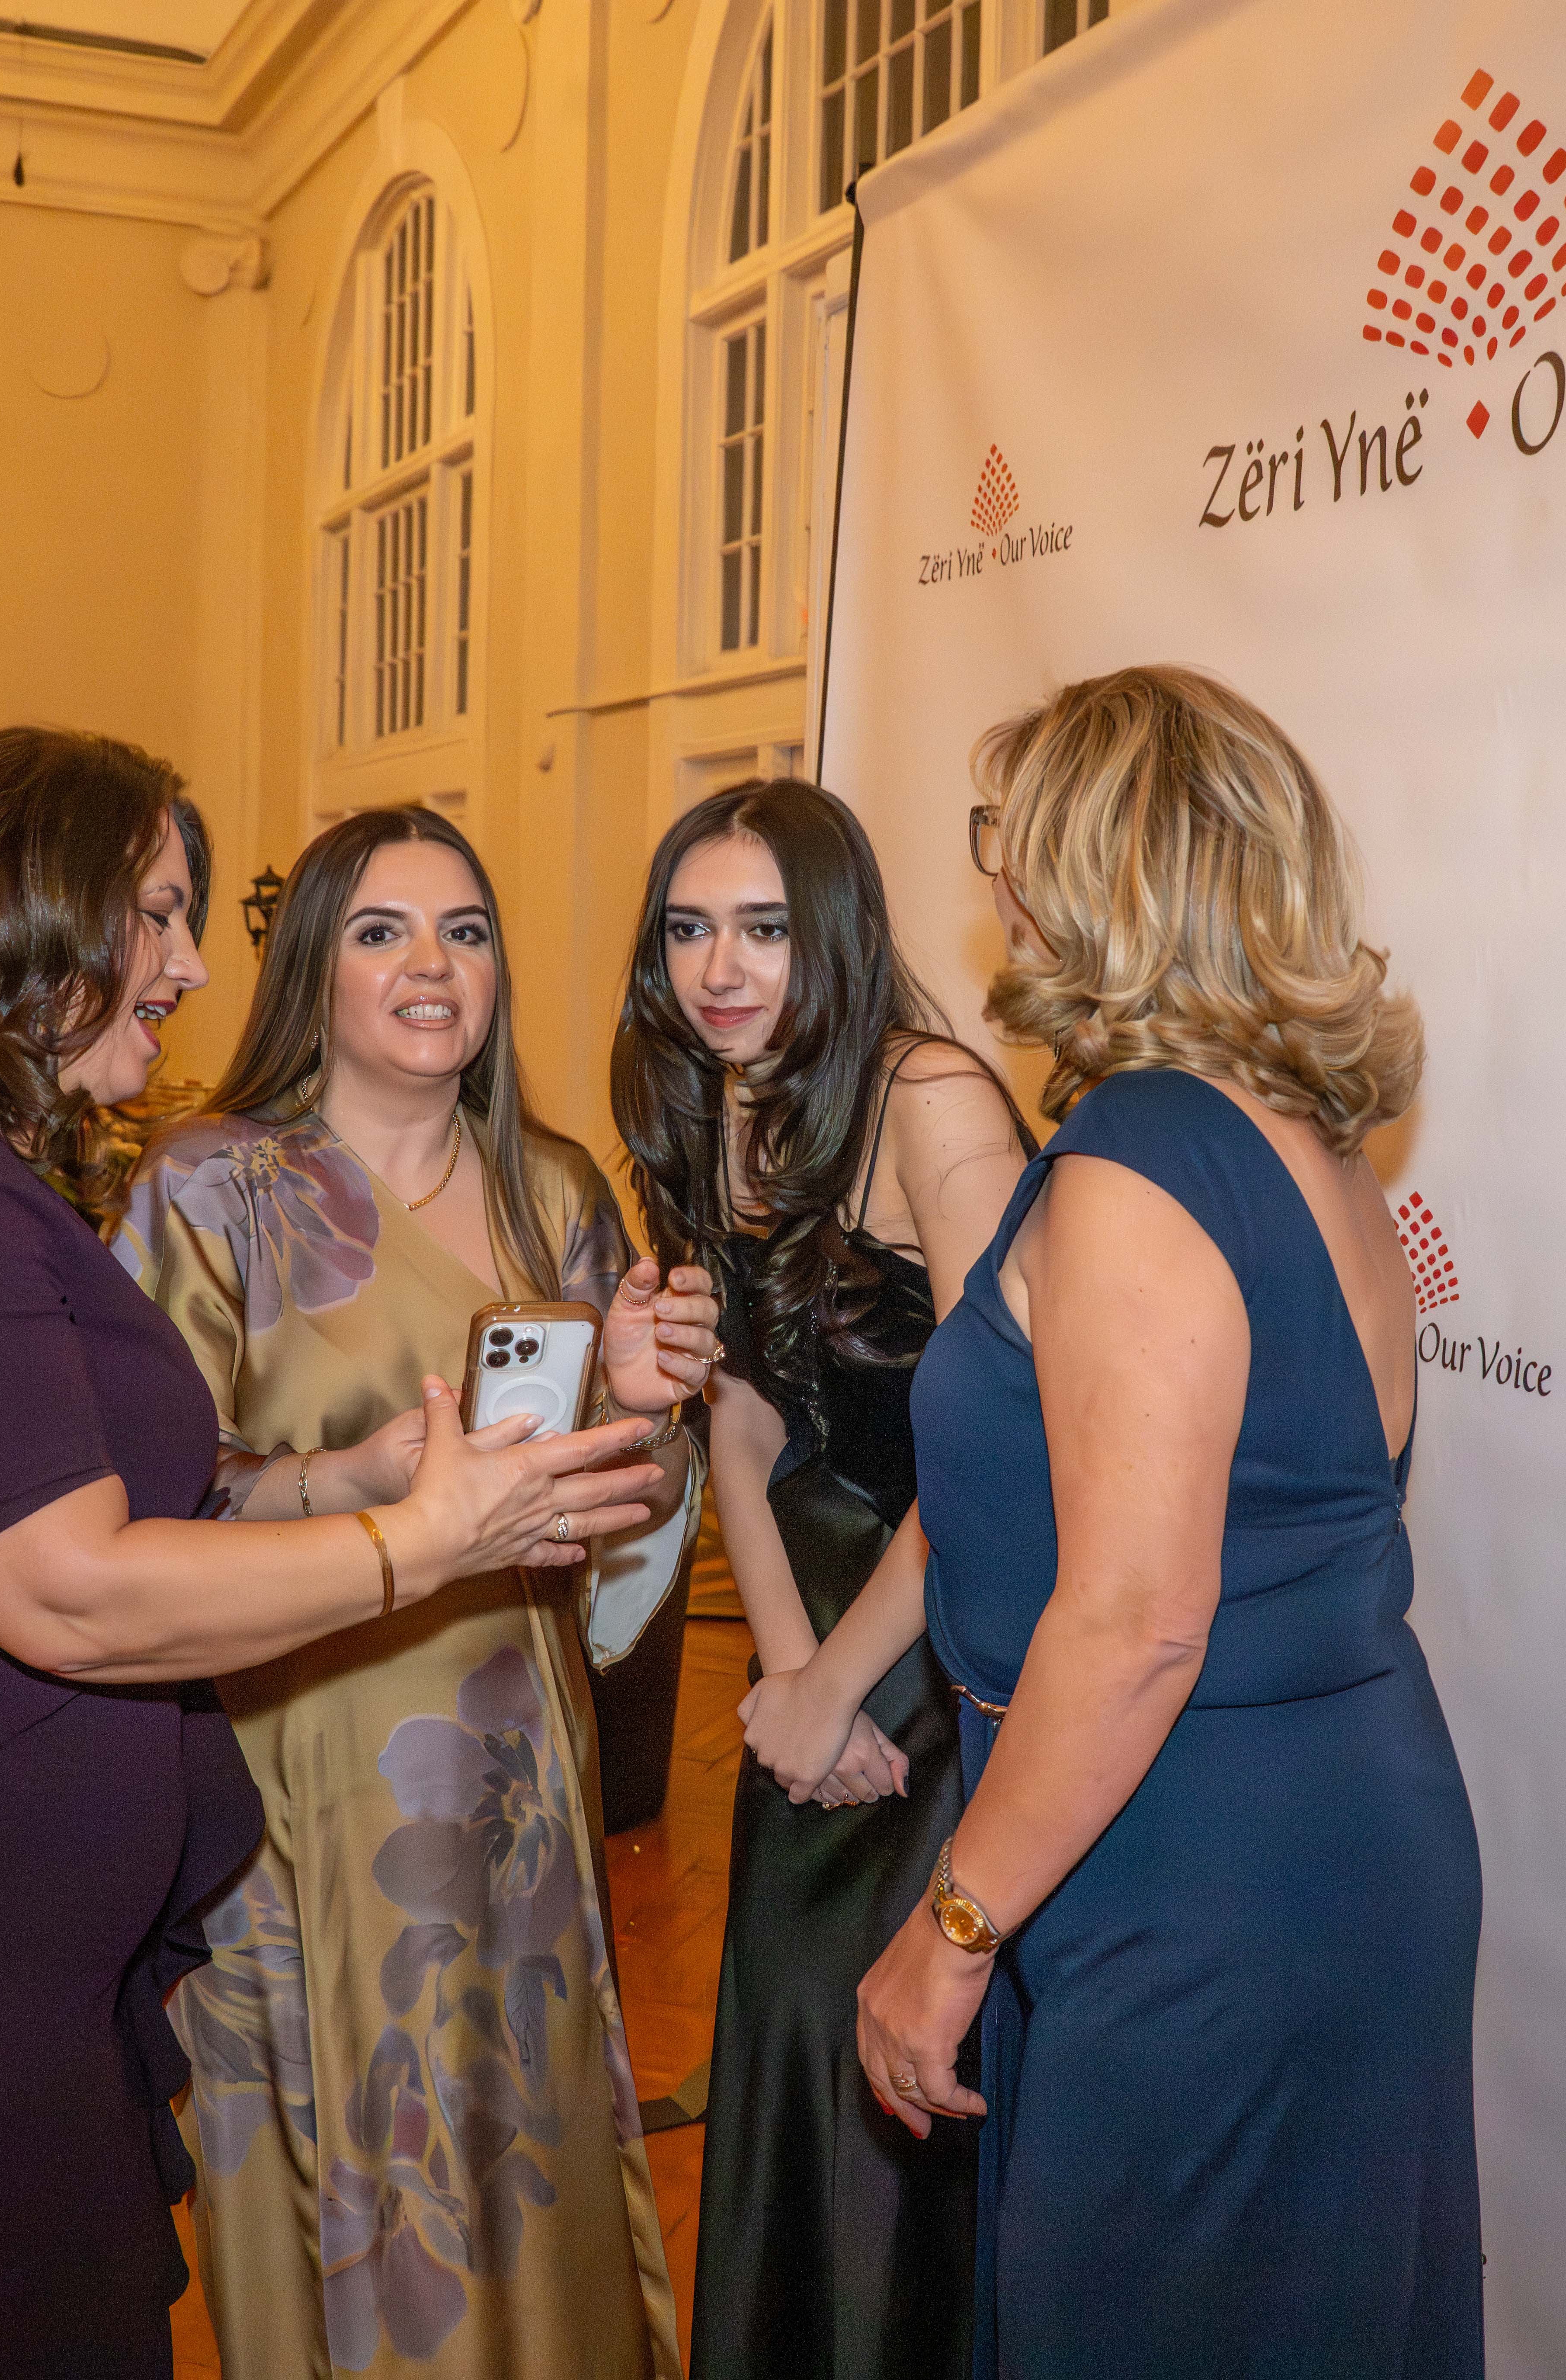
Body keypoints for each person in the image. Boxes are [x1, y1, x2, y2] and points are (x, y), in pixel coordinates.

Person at [0, 728, 666, 2378]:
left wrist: (355, 1477)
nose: (190, 962)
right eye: (161, 914)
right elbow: (73, 1588)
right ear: (31, 915)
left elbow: (128, 1509)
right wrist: (421, 1537)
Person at [858, 668, 1485, 2378]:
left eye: (1008, 836)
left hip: (1196, 1865)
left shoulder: (1142, 1155)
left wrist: (949, 1928)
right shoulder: (1311, 1149)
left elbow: (1135, 1617)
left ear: (1089, 869)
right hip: (1302, 1841)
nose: (991, 875)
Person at [114, 805, 714, 2380]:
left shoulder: (558, 1195)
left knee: (527, 2151)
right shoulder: (211, 1194)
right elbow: (144, 1512)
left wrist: (645, 1408)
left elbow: (611, 1531)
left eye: (464, 930)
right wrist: (371, 1479)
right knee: (338, 2169)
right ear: (314, 969)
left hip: (511, 1763)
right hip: (298, 1758)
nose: (431, 966)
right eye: (381, 932)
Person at [610, 781, 1030, 2380]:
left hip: (952, 1644)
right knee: (791, 2041)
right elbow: (741, 1418)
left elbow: (1004, 1456)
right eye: (692, 927)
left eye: (766, 928)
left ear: (837, 931)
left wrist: (842, 1680)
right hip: (817, 1652)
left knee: (900, 2086)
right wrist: (783, 1683)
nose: (722, 966)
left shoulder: (931, 1099)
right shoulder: (723, 1100)